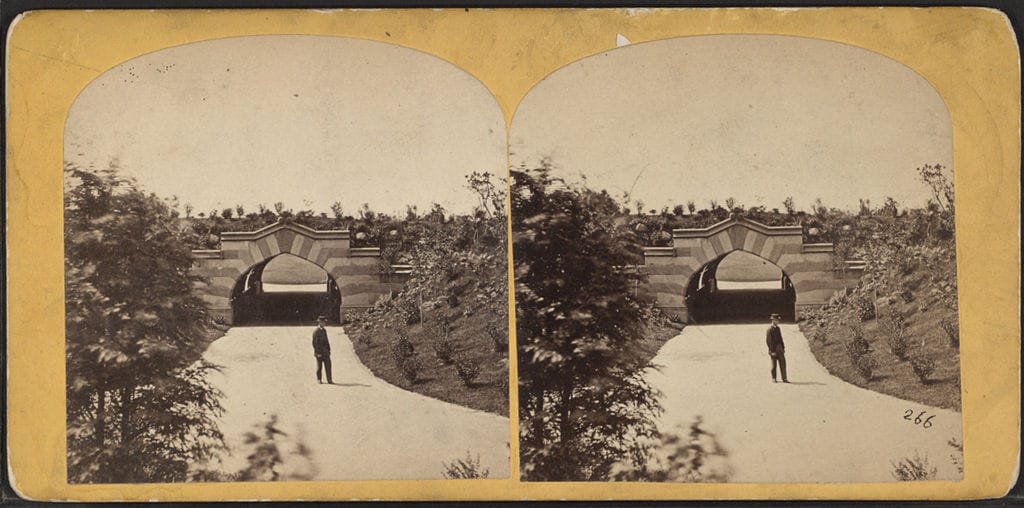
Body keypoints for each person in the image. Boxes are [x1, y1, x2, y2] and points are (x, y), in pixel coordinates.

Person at [766, 313, 788, 383]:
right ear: (773, 320)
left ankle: (784, 378)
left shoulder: (778, 328)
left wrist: (783, 347)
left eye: (778, 320)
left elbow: (780, 338)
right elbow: (769, 341)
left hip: (780, 348)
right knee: (774, 365)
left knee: (783, 364)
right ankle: (774, 378)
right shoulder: (769, 329)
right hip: (773, 349)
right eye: (777, 320)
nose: (778, 321)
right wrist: (772, 351)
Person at [312, 315, 333, 384]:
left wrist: (328, 350)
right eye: (323, 322)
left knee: (328, 365)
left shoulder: (324, 330)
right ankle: (319, 379)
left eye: (324, 322)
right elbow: (315, 343)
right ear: (319, 322)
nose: (324, 324)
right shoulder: (316, 331)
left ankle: (329, 379)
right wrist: (318, 352)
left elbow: (326, 341)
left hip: (325, 351)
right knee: (319, 366)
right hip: (319, 352)